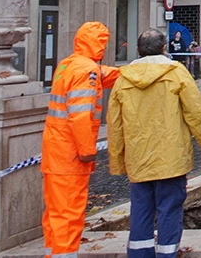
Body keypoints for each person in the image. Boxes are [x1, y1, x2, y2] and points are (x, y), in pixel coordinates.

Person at [106, 28, 201, 258]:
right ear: (164, 48)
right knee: (170, 210)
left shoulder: (123, 78)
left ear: (138, 50)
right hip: (171, 159)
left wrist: (118, 161)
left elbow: (115, 123)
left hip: (138, 159)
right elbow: (196, 114)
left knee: (140, 211)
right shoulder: (176, 72)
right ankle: (167, 254)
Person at [41, 21, 120, 258]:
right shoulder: (87, 71)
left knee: (54, 213)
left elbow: (104, 75)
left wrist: (136, 69)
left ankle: (52, 253)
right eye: (103, 43)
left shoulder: (68, 64)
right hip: (71, 155)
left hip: (55, 151)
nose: (104, 47)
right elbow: (80, 117)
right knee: (69, 214)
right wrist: (87, 150)